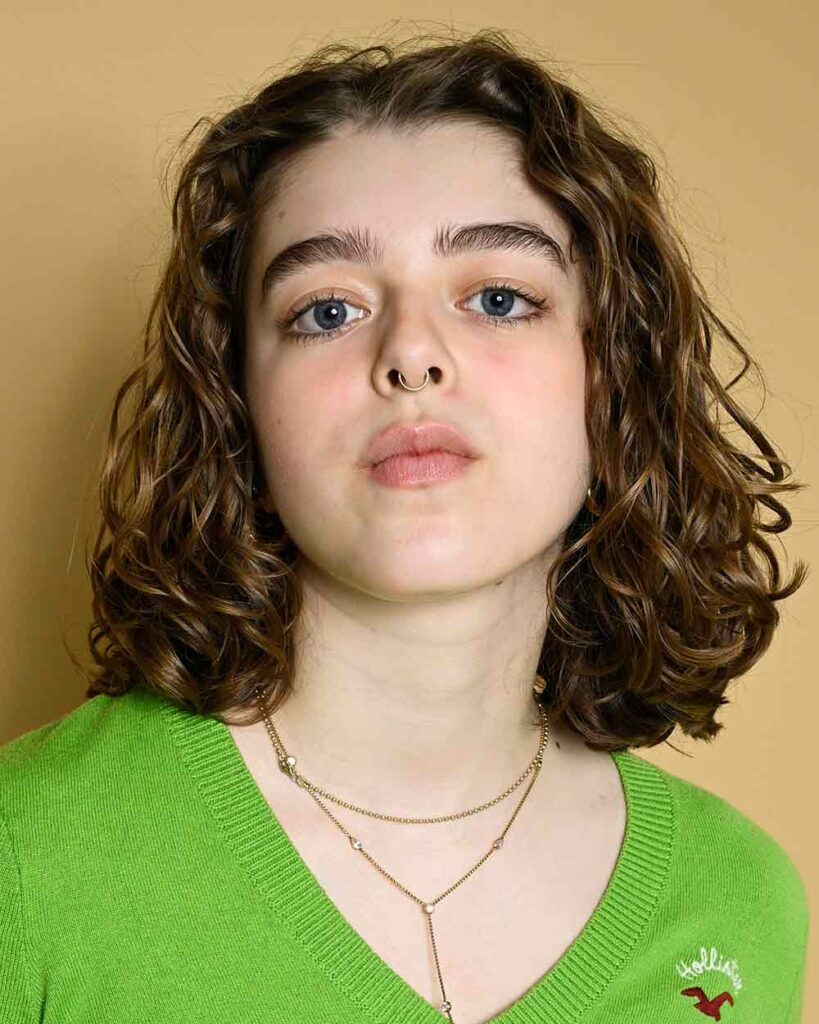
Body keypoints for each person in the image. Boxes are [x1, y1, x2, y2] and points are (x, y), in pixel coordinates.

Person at [0, 27, 810, 1024]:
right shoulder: (24, 859)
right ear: (238, 402)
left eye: (499, 298)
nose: (412, 354)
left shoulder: (736, 905)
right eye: (327, 311)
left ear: (612, 376)